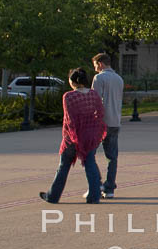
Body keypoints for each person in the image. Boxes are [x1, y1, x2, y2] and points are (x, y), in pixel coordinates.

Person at [40, 68, 107, 204]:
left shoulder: (69, 96)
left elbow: (69, 119)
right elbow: (100, 115)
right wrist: (96, 132)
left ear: (72, 81)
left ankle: (53, 196)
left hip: (73, 137)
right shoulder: (94, 95)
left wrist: (72, 137)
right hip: (91, 136)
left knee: (64, 165)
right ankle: (94, 197)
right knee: (90, 163)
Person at [84, 53, 123, 199]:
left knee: (89, 154)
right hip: (115, 121)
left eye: (95, 65)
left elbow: (95, 100)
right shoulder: (119, 79)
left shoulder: (99, 78)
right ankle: (109, 188)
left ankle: (96, 184)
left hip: (100, 122)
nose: (95, 69)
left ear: (100, 64)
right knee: (112, 157)